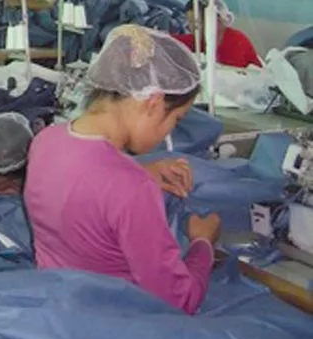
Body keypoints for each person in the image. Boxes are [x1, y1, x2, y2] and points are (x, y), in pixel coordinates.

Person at [24, 24, 221, 315]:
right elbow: (179, 300)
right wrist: (203, 243)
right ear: (154, 102)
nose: (169, 132)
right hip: (115, 329)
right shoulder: (130, 188)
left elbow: (85, 178)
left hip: (56, 310)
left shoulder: (45, 141)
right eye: (176, 120)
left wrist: (139, 170)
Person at [173, 0, 262, 68]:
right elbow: (171, 41)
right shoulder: (202, 39)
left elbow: (231, 77)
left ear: (215, 19)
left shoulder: (235, 42)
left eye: (196, 23)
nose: (190, 27)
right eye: (189, 22)